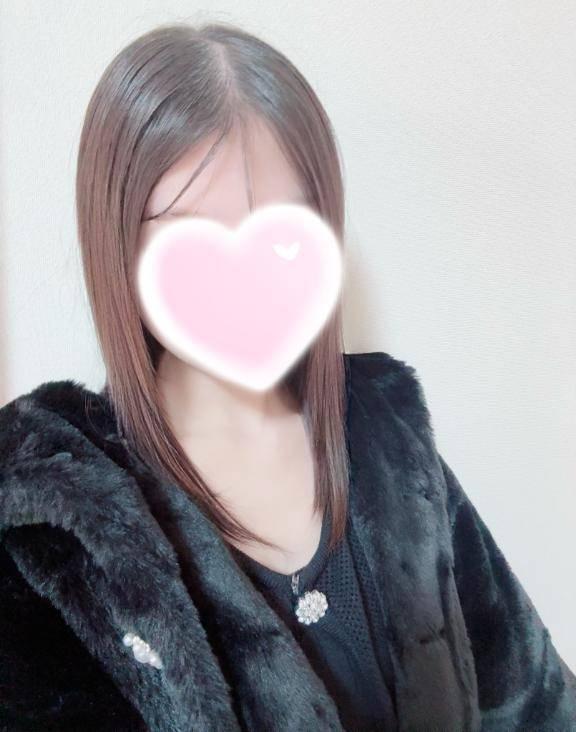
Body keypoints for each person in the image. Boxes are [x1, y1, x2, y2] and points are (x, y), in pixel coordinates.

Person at [1, 21, 575, 732]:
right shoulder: (54, 522)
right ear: (120, 243)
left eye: (282, 232)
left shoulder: (385, 433)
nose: (244, 279)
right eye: (188, 232)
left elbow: (532, 696)